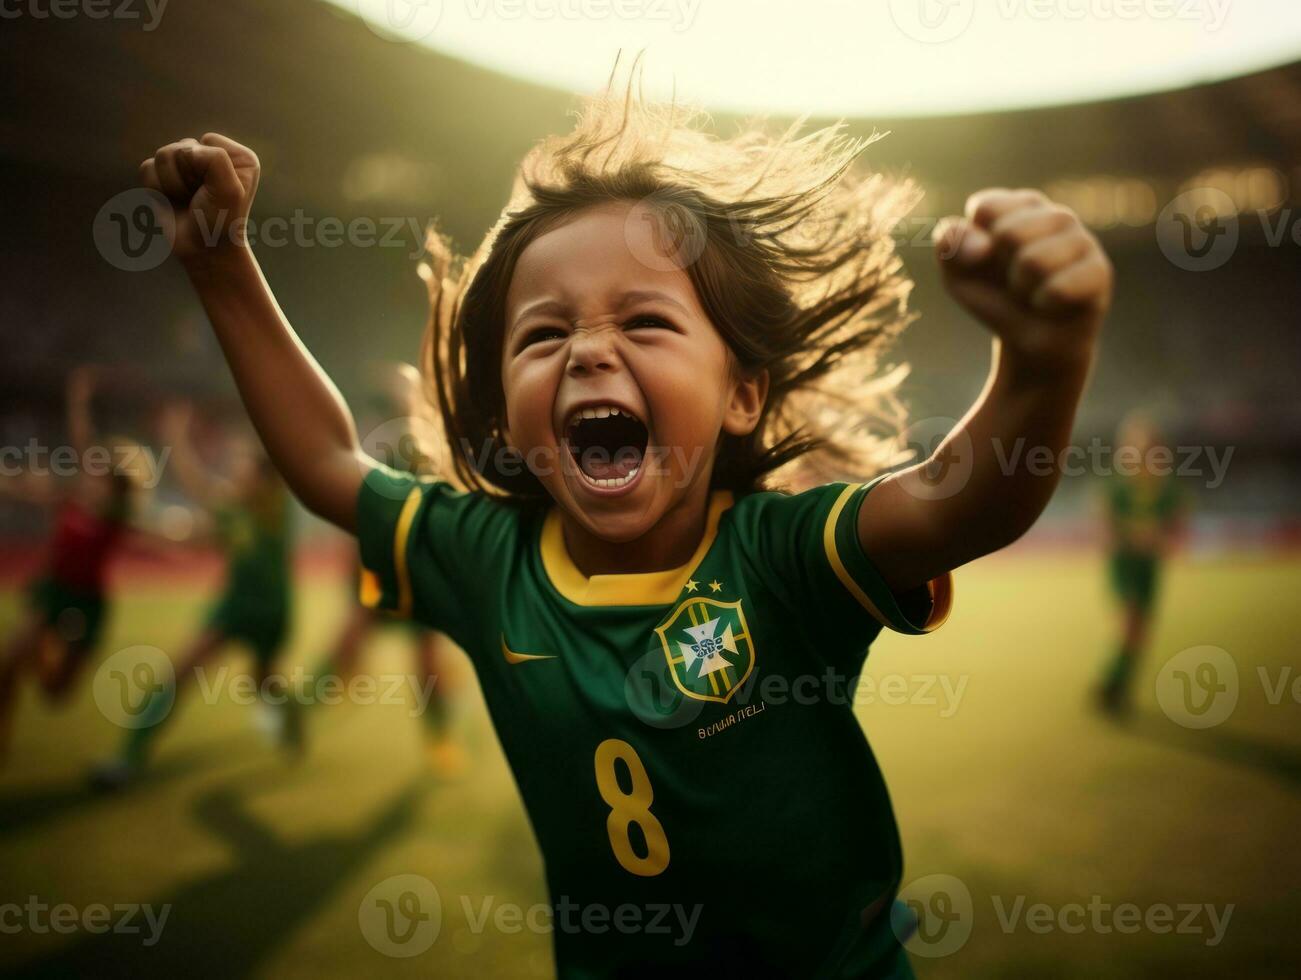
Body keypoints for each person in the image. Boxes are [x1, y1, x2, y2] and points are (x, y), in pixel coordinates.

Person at [136, 76, 1111, 977]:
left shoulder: (782, 556)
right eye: (544, 332)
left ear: (740, 394)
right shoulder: (488, 560)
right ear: (501, 410)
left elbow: (960, 497)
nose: (590, 349)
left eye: (643, 323)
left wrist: (1042, 360)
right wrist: (223, 268)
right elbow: (327, 465)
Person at [91, 402, 297, 789]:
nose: (236, 472)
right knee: (178, 675)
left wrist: (176, 439)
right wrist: (131, 522)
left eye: (244, 467)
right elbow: (189, 535)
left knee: (265, 686)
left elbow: (200, 486)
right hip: (234, 608)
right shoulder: (231, 512)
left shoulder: (274, 504)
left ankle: (287, 724)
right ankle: (128, 758)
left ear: (266, 478)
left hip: (272, 614)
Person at [306, 362, 463, 774]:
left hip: (418, 572)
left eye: (410, 391)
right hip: (379, 570)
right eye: (401, 392)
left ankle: (439, 740)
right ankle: (297, 711)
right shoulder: (378, 443)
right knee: (347, 649)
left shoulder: (429, 443)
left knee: (427, 663)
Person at [0, 367, 143, 760]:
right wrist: (77, 400)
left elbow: (84, 447)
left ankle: (47, 650)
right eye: (94, 473)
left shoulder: (116, 517)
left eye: (104, 477)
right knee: (8, 664)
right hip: (53, 590)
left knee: (55, 692)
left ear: (116, 489)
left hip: (86, 605)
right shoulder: (74, 495)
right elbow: (81, 447)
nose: (93, 477)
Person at [1097, 411, 1186, 715]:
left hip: (1149, 567)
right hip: (1124, 565)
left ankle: (1119, 685)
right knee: (1131, 623)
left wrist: (1159, 540)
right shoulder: (1117, 486)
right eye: (1136, 447)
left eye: (1148, 447)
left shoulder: (1168, 489)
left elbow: (1176, 530)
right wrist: (1134, 536)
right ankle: (1109, 686)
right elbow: (1106, 527)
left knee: (1140, 631)